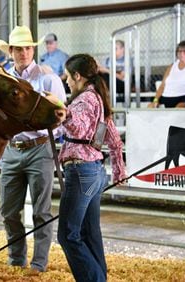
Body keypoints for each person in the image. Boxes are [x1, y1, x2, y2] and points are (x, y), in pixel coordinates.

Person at [0, 25, 66, 273]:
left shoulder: (49, 79)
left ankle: (38, 262)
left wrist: (47, 135)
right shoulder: (4, 81)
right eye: (19, 48)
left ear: (32, 50)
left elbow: (60, 117)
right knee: (8, 210)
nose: (24, 52)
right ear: (11, 51)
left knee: (41, 210)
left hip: (39, 148)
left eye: (27, 48)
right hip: (12, 149)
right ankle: (16, 259)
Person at [57, 54, 126, 282]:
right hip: (95, 172)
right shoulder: (99, 98)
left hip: (81, 172)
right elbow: (114, 140)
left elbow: (78, 126)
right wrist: (119, 171)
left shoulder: (84, 100)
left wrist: (64, 114)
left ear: (77, 76)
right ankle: (99, 277)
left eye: (68, 76)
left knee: (68, 235)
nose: (66, 81)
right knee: (89, 232)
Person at [149, 40, 185, 108]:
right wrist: (155, 100)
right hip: (166, 98)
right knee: (150, 106)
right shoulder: (172, 66)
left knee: (179, 108)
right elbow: (162, 86)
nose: (182, 53)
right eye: (179, 51)